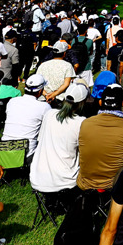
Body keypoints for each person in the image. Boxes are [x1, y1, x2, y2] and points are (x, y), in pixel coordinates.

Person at [31, 83, 91, 211]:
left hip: (38, 177)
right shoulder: (81, 122)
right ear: (82, 103)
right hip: (65, 181)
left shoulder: (49, 114)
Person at [1, 74, 51, 156]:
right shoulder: (44, 107)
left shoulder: (12, 101)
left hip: (4, 150)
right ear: (40, 91)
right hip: (26, 154)